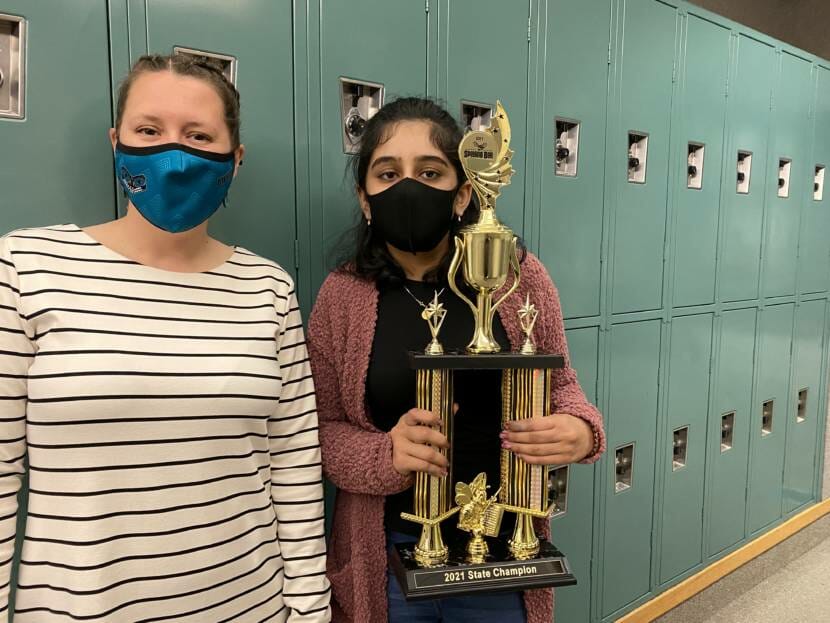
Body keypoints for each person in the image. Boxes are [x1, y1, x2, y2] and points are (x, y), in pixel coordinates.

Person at [0, 54, 330, 622]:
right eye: (148, 131)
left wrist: (309, 611)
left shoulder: (267, 287)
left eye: (199, 135)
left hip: (250, 608)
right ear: (116, 141)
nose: (173, 154)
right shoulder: (28, 267)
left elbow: (294, 468)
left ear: (235, 158)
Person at [307, 97, 605, 623]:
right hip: (389, 558)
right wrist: (387, 456)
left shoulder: (519, 276)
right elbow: (322, 432)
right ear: (366, 198)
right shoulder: (342, 295)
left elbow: (562, 387)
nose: (409, 186)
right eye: (387, 172)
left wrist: (580, 431)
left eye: (430, 171)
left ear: (464, 192)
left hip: (502, 559)